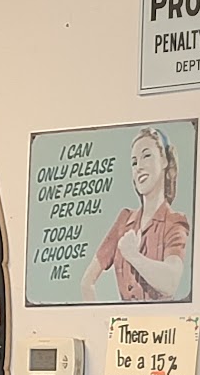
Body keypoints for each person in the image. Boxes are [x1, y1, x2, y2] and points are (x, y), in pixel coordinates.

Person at [81, 127, 190, 304]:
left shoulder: (175, 222)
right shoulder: (124, 220)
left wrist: (133, 255)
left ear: (164, 160)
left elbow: (170, 283)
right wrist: (96, 318)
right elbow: (87, 282)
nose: (139, 167)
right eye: (134, 162)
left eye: (146, 156)